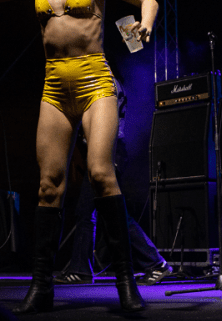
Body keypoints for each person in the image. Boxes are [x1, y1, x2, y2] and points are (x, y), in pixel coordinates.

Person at [0, 0, 158, 313]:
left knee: (101, 174)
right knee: (48, 186)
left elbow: (148, 1)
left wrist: (144, 25)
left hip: (96, 82)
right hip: (55, 86)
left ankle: (127, 284)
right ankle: (41, 287)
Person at [56, 77, 172, 286]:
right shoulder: (101, 79)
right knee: (96, 212)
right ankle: (82, 269)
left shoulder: (103, 80)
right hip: (106, 150)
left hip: (109, 150)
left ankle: (154, 263)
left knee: (104, 212)